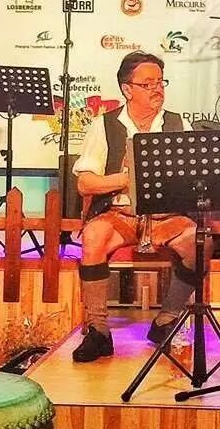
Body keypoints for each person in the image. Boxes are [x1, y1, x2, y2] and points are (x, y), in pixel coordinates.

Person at [71, 52, 197, 363]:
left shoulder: (178, 123)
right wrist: (127, 178)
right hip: (121, 215)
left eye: (160, 82)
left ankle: (167, 320)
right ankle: (98, 331)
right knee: (94, 236)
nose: (157, 89)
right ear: (127, 89)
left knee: (198, 242)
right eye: (148, 84)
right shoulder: (104, 125)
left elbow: (193, 177)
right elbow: (85, 183)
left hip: (166, 217)